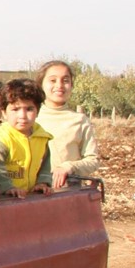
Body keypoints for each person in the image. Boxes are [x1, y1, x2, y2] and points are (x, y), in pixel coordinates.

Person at [0, 78, 53, 198]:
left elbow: (45, 165)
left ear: (37, 111)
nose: (22, 116)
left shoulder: (42, 137)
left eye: (29, 109)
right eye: (15, 109)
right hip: (5, 199)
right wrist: (8, 187)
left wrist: (42, 182)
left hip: (32, 197)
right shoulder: (1, 140)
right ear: (4, 112)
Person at [36, 60, 100, 188]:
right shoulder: (30, 118)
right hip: (32, 193)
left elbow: (93, 160)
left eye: (65, 80)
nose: (59, 85)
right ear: (40, 85)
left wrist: (69, 166)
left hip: (67, 193)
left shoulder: (80, 120)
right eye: (53, 80)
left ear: (71, 85)